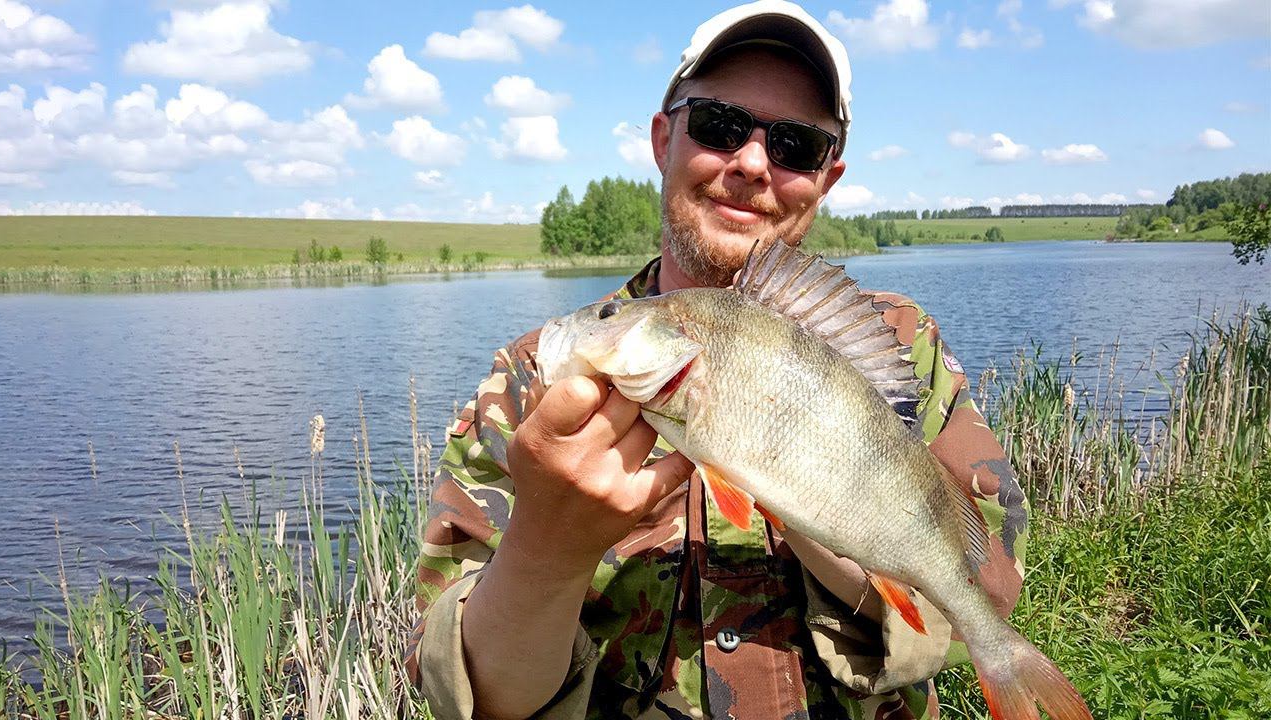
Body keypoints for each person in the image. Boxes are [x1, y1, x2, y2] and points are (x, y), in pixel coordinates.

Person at [404, 1, 1028, 718]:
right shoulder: (527, 388)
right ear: (664, 138)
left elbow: (988, 591)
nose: (754, 164)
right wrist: (547, 548)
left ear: (828, 177)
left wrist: (812, 503)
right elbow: (472, 701)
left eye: (797, 145)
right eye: (722, 126)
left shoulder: (898, 345)